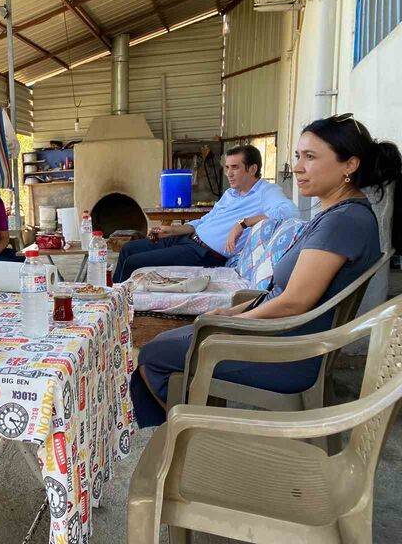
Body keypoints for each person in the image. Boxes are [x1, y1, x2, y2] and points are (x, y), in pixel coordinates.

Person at [131, 114, 402, 427]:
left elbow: (293, 303)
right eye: (298, 156)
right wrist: (230, 315)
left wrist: (230, 325)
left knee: (153, 354)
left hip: (286, 354)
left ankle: (189, 432)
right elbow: (283, 293)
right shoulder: (339, 215)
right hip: (279, 336)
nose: (298, 167)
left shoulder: (343, 222)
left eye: (310, 157)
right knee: (172, 341)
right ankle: (191, 422)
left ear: (349, 165)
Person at [113, 144, 299, 283]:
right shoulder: (230, 194)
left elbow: (290, 213)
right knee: (129, 249)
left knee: (134, 263)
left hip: (205, 254)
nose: (229, 173)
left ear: (252, 169)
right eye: (227, 167)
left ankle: (119, 310)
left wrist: (243, 223)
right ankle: (109, 298)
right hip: (188, 239)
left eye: (235, 167)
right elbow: (205, 220)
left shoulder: (266, 192)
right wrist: (171, 230)